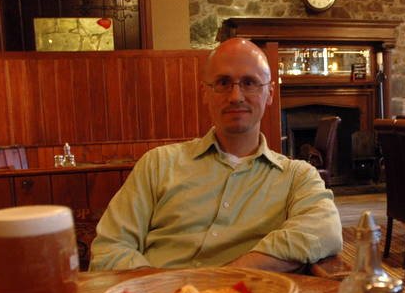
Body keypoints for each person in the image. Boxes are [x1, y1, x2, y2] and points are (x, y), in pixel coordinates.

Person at [89, 38, 343, 272]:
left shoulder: (297, 177)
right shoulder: (157, 164)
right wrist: (164, 292)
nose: (236, 96)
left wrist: (224, 278)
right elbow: (110, 249)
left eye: (249, 83)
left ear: (270, 94)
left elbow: (324, 230)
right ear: (205, 93)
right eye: (223, 83)